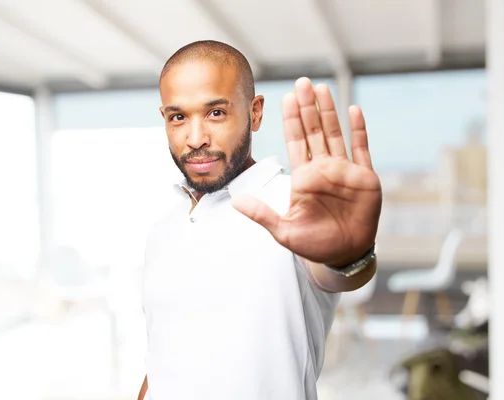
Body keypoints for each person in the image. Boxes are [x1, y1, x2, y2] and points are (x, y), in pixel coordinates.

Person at [137, 40, 382, 400]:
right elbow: (162, 360)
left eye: (215, 113)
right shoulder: (163, 231)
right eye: (179, 117)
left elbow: (341, 273)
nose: (195, 138)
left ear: (254, 112)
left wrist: (349, 256)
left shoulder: (294, 204)